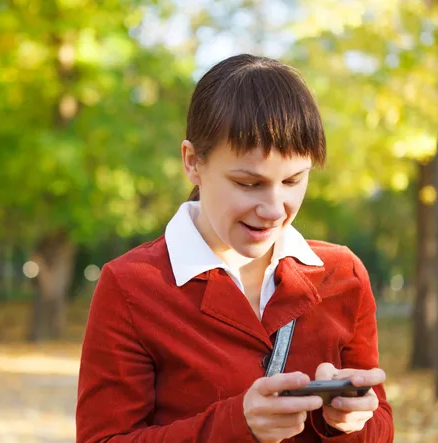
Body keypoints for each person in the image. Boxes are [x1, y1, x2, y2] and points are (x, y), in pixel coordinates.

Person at [76, 54, 394, 442]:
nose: (275, 209)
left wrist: (345, 420)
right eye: (248, 183)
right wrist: (236, 425)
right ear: (193, 162)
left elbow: (381, 428)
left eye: (294, 180)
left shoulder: (342, 275)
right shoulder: (131, 285)